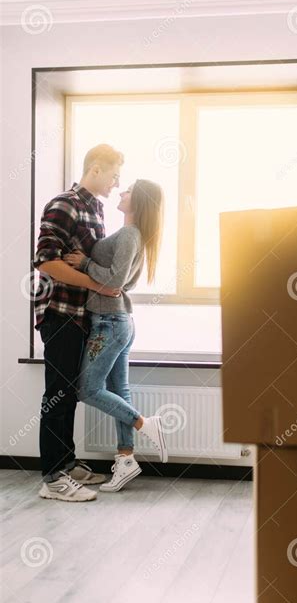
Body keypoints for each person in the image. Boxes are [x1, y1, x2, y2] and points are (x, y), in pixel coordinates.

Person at [64, 179, 168, 494]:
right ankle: (126, 459)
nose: (121, 192)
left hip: (109, 322)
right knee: (118, 391)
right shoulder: (135, 235)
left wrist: (84, 263)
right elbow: (122, 284)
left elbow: (116, 280)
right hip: (117, 319)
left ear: (138, 200)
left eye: (128, 189)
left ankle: (143, 423)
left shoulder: (129, 234)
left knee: (86, 390)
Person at [34, 144, 124, 502]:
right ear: (97, 169)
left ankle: (67, 463)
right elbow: (45, 262)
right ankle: (52, 479)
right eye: (115, 174)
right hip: (59, 313)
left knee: (69, 392)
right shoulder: (65, 204)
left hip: (81, 315)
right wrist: (96, 284)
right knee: (57, 393)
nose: (117, 183)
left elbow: (85, 260)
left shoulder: (96, 208)